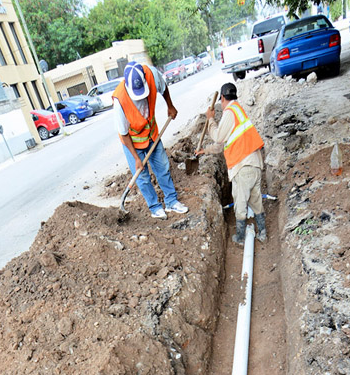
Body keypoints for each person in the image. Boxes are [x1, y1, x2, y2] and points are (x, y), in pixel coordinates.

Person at [113, 61, 188, 220]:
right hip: (132, 142)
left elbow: (164, 87)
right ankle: (154, 207)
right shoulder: (120, 100)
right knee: (142, 176)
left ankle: (171, 201)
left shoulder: (152, 74)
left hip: (151, 133)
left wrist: (170, 105)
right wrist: (136, 158)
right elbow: (124, 134)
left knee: (162, 167)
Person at [197, 82, 266, 245]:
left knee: (240, 204)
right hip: (254, 163)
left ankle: (241, 237)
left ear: (222, 98)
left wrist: (211, 119)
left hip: (243, 167)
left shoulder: (229, 112)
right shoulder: (238, 110)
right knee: (256, 200)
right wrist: (204, 151)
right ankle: (263, 232)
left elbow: (218, 137)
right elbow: (222, 145)